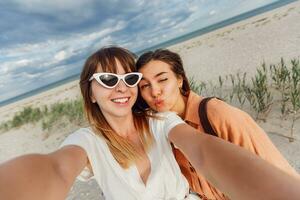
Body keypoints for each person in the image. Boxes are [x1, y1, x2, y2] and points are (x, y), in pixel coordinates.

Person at [1, 46, 300, 200]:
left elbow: (205, 151)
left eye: (129, 79)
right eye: (107, 79)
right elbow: (55, 168)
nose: (120, 87)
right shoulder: (87, 142)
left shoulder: (160, 121)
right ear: (90, 92)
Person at [136, 48, 298, 200]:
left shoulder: (215, 113)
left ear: (180, 80)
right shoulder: (160, 130)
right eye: (145, 85)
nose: (155, 91)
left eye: (162, 80)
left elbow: (274, 167)